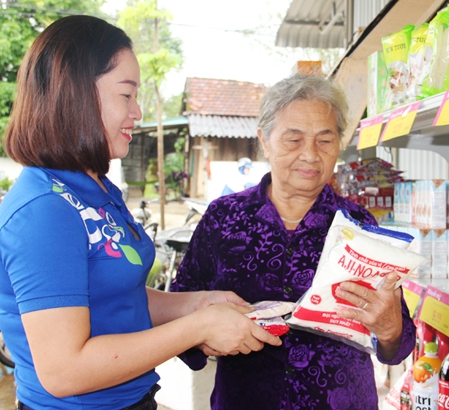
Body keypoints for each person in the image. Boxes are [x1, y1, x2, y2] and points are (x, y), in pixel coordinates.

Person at [0, 15, 280, 409]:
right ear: (76, 95)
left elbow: (116, 294)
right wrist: (196, 328)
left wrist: (198, 304)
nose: (138, 112)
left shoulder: (96, 189)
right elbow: (64, 371)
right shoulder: (44, 210)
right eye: (126, 95)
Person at [170, 74, 416, 409]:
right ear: (265, 140)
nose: (311, 155)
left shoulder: (359, 226)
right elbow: (180, 306)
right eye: (294, 139)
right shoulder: (224, 218)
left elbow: (397, 347)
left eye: (325, 141)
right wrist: (201, 338)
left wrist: (389, 329)